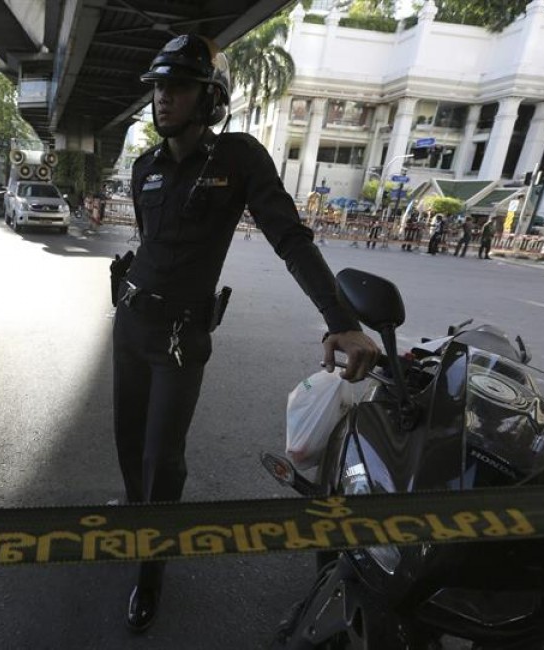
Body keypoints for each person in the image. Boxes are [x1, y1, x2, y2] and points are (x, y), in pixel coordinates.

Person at [114, 34, 380, 633]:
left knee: (162, 458)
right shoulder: (144, 167)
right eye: (158, 87)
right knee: (128, 445)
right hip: (129, 323)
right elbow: (153, 247)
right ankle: (135, 522)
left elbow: (290, 238)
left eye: (177, 87)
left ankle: (149, 570)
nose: (162, 98)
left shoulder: (239, 159)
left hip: (181, 338)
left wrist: (342, 321)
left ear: (210, 99)